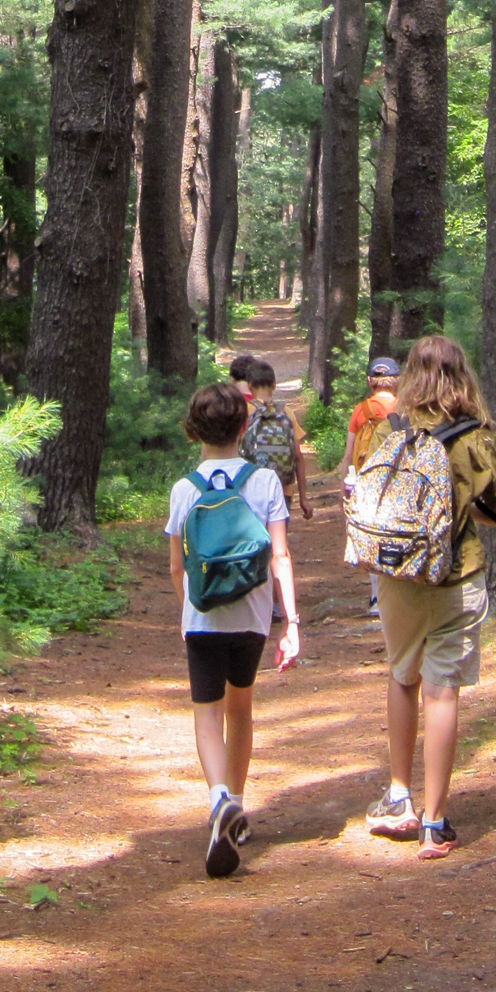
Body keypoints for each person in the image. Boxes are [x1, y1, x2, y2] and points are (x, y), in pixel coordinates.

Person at [362, 336, 496, 860]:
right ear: (459, 375)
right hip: (455, 573)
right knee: (442, 692)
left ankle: (399, 795)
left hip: (398, 576)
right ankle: (434, 821)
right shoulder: (473, 437)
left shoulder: (388, 427)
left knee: (403, 675)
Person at [167, 382, 302, 878]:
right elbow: (280, 555)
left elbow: (177, 566)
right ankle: (238, 807)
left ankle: (218, 798)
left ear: (192, 429)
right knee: (240, 708)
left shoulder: (185, 490)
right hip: (251, 616)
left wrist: (188, 613)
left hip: (203, 619)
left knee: (208, 713)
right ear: (243, 427)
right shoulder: (264, 482)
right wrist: (291, 620)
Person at [342, 357, 402, 617]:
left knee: (372, 534)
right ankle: (399, 592)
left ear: (369, 381)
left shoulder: (361, 410)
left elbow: (348, 454)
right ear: (396, 381)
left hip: (367, 481)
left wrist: (345, 487)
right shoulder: (404, 408)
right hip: (399, 480)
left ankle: (377, 596)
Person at [241, 360, 313, 522]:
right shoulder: (286, 412)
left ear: (249, 385)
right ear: (274, 385)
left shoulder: (242, 411)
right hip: (282, 489)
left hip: (250, 489)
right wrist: (303, 498)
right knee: (278, 541)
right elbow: (298, 457)